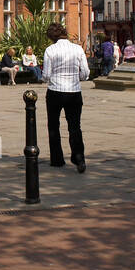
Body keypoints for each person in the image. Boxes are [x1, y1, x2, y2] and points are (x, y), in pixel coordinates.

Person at [43, 22, 90, 172]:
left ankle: (57, 159)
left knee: (53, 126)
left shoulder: (50, 50)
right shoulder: (77, 49)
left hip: (55, 91)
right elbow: (85, 73)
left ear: (51, 37)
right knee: (75, 126)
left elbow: (46, 75)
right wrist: (77, 78)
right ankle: (79, 157)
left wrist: (47, 79)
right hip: (74, 92)